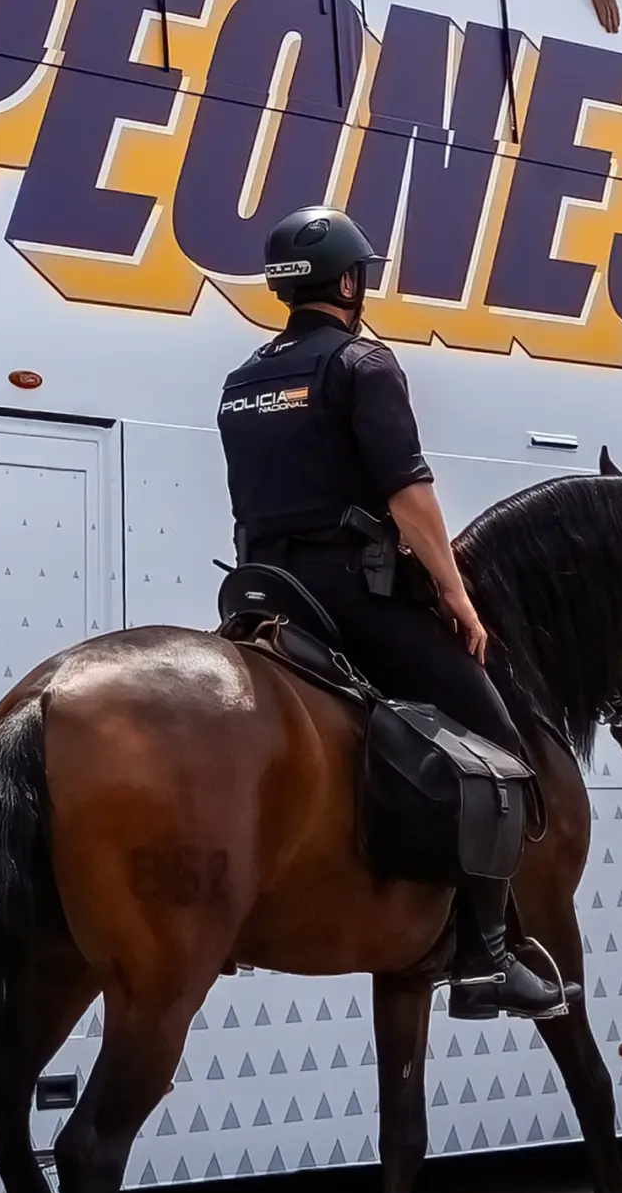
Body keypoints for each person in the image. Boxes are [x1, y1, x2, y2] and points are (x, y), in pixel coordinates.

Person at [215, 206, 568, 1020]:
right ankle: (487, 955)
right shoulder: (362, 365)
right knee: (503, 755)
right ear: (347, 282)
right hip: (350, 596)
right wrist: (455, 593)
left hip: (264, 592)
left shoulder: (242, 383)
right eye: (360, 274)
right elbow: (409, 499)